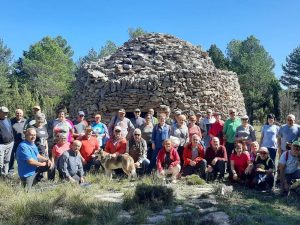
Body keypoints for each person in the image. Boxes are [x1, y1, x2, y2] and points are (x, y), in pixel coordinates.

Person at [9, 109, 27, 175]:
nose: (19, 114)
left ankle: (22, 171)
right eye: (17, 113)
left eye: (20, 113)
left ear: (23, 114)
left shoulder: (26, 121)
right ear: (15, 114)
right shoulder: (11, 121)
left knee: (22, 157)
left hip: (23, 142)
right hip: (14, 142)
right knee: (12, 158)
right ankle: (10, 172)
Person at [223, 108, 241, 173]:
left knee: (238, 155)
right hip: (229, 141)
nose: (232, 114)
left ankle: (236, 169)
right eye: (231, 113)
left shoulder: (239, 121)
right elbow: (224, 131)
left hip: (238, 142)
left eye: (233, 112)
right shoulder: (227, 122)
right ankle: (228, 169)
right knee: (229, 155)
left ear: (236, 113)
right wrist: (224, 136)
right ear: (229, 114)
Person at [0, 106, 14, 177]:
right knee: (0, 162)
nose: (6, 114)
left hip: (10, 143)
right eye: (4, 112)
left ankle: (5, 175)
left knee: (7, 160)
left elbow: (10, 130)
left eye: (7, 112)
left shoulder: (8, 120)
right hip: (1, 145)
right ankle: (1, 175)